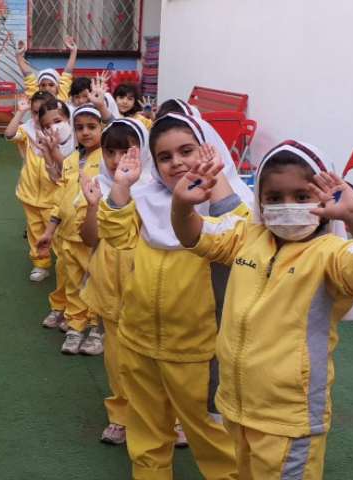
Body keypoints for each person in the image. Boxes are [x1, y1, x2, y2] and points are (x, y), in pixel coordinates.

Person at [170, 139, 353, 479]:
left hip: (289, 419)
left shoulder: (329, 254)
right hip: (237, 406)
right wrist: (181, 206)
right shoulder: (247, 236)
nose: (287, 206)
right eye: (274, 198)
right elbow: (193, 236)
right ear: (260, 201)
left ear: (324, 198)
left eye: (302, 197)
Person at [98, 113, 254, 479]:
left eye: (187, 151)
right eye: (165, 157)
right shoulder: (144, 197)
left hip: (196, 350)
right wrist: (121, 185)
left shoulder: (225, 204)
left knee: (212, 436)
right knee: (146, 434)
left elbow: (238, 239)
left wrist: (214, 182)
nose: (177, 162)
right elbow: (116, 234)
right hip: (138, 340)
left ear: (207, 151)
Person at [79, 118, 144, 444]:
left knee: (152, 359)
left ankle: (169, 417)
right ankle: (120, 415)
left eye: (127, 151)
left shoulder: (156, 192)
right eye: (110, 152)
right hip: (110, 287)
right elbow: (90, 238)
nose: (117, 160)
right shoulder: (98, 186)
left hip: (147, 289)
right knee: (117, 359)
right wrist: (93, 207)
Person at [36, 104, 103, 355]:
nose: (85, 132)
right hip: (67, 237)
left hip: (92, 238)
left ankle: (96, 328)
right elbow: (62, 197)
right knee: (72, 283)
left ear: (103, 128)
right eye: (80, 127)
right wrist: (49, 230)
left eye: (92, 127)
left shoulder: (107, 159)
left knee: (95, 284)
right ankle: (75, 326)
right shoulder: (73, 159)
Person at [5, 96, 73, 282]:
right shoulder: (28, 131)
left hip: (54, 198)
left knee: (59, 235)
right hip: (29, 194)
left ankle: (66, 265)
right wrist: (20, 111)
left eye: (42, 113)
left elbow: (66, 170)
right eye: (35, 113)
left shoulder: (67, 137)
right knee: (35, 232)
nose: (39, 117)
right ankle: (40, 264)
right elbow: (9, 134)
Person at [18, 37, 77, 102]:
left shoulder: (62, 98)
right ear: (38, 88)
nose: (47, 88)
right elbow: (28, 75)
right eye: (43, 85)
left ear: (57, 87)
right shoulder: (35, 98)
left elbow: (67, 73)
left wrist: (73, 51)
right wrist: (19, 55)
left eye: (51, 85)